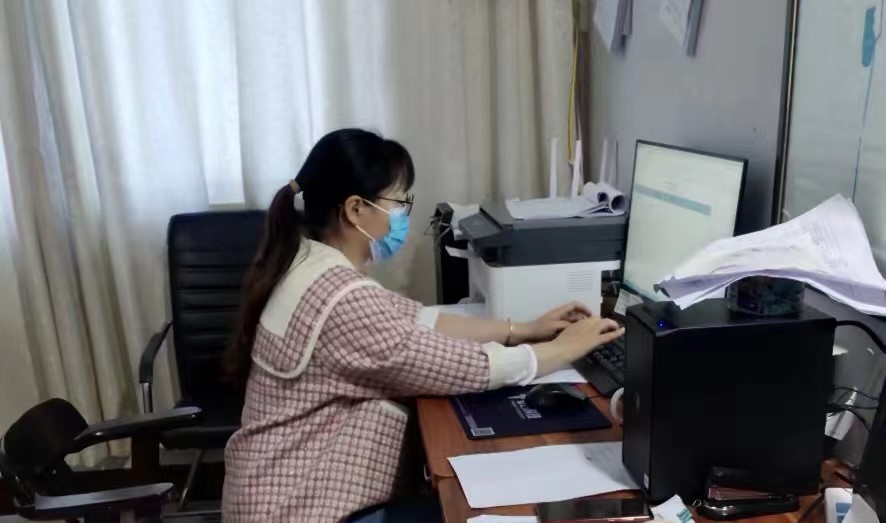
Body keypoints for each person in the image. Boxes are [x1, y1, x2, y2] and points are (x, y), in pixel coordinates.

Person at [221, 129, 624, 522]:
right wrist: (564, 348)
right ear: (355, 209)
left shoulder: (309, 262)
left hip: (276, 493)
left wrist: (522, 329)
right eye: (397, 202)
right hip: (298, 507)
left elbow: (418, 320)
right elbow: (466, 367)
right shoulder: (340, 297)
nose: (401, 215)